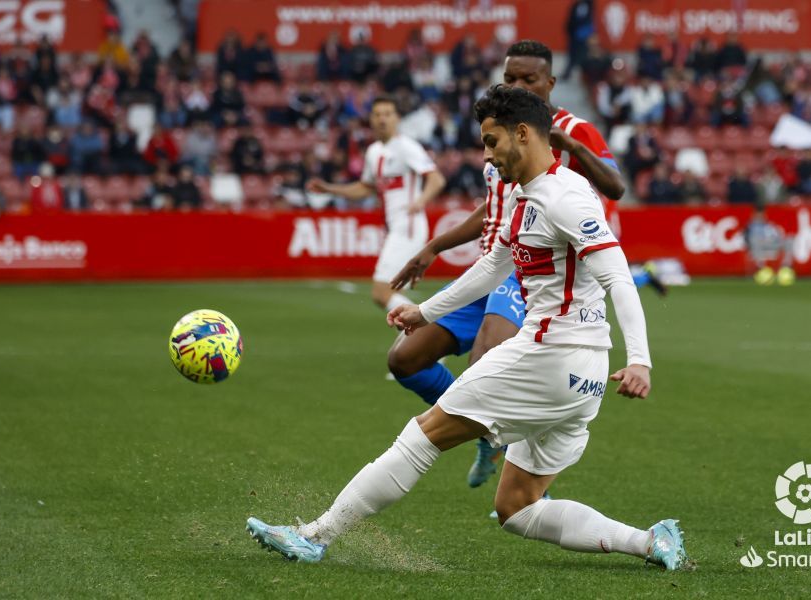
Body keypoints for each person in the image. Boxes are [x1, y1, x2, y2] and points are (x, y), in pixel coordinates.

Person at [246, 85, 691, 570]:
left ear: (523, 134)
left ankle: (315, 535)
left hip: (548, 354)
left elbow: (619, 277)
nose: (487, 155)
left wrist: (641, 360)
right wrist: (424, 312)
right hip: (584, 376)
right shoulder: (526, 195)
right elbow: (491, 268)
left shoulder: (564, 198)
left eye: (492, 141)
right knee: (517, 507)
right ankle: (650, 541)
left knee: (422, 436)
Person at [387, 41, 625, 490]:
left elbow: (616, 186)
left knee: (483, 362)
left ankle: (499, 449)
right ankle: (488, 432)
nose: (518, 84)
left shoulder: (571, 129)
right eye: (510, 77)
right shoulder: (498, 130)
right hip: (489, 263)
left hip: (530, 268)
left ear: (550, 83)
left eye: (528, 79)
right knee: (405, 359)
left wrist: (571, 145)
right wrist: (433, 247)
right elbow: (493, 207)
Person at [307, 96, 446, 311]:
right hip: (394, 228)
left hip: (408, 228)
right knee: (395, 294)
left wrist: (420, 201)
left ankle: (429, 325)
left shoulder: (407, 147)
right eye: (378, 114)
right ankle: (422, 329)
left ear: (397, 118)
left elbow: (436, 179)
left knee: (381, 292)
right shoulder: (374, 152)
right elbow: (365, 188)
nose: (382, 119)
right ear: (371, 119)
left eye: (387, 114)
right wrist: (330, 189)